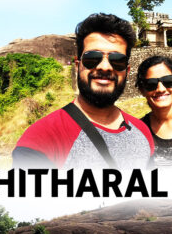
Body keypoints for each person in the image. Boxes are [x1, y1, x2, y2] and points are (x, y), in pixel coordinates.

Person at [12, 13, 154, 169]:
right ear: (77, 65)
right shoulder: (42, 139)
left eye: (117, 60)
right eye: (92, 58)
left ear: (126, 70)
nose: (105, 67)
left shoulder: (143, 133)